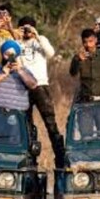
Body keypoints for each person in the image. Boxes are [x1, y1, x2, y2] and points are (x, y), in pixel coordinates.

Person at [15, 16, 65, 168]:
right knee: (26, 124)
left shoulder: (40, 39)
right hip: (23, 87)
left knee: (50, 122)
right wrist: (16, 35)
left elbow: (50, 53)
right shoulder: (17, 43)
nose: (27, 31)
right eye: (24, 28)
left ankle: (60, 158)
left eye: (29, 28)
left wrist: (36, 35)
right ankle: (29, 160)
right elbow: (10, 55)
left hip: (41, 85)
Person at [69, 28, 100, 138]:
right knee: (86, 137)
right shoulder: (78, 57)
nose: (88, 45)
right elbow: (73, 73)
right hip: (85, 104)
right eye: (85, 42)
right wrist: (77, 60)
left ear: (95, 41)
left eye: (90, 41)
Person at [0, 40, 38, 111]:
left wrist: (20, 71)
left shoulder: (23, 70)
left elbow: (33, 85)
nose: (9, 58)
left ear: (16, 55)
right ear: (2, 55)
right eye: (7, 54)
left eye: (12, 55)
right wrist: (3, 74)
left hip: (17, 112)